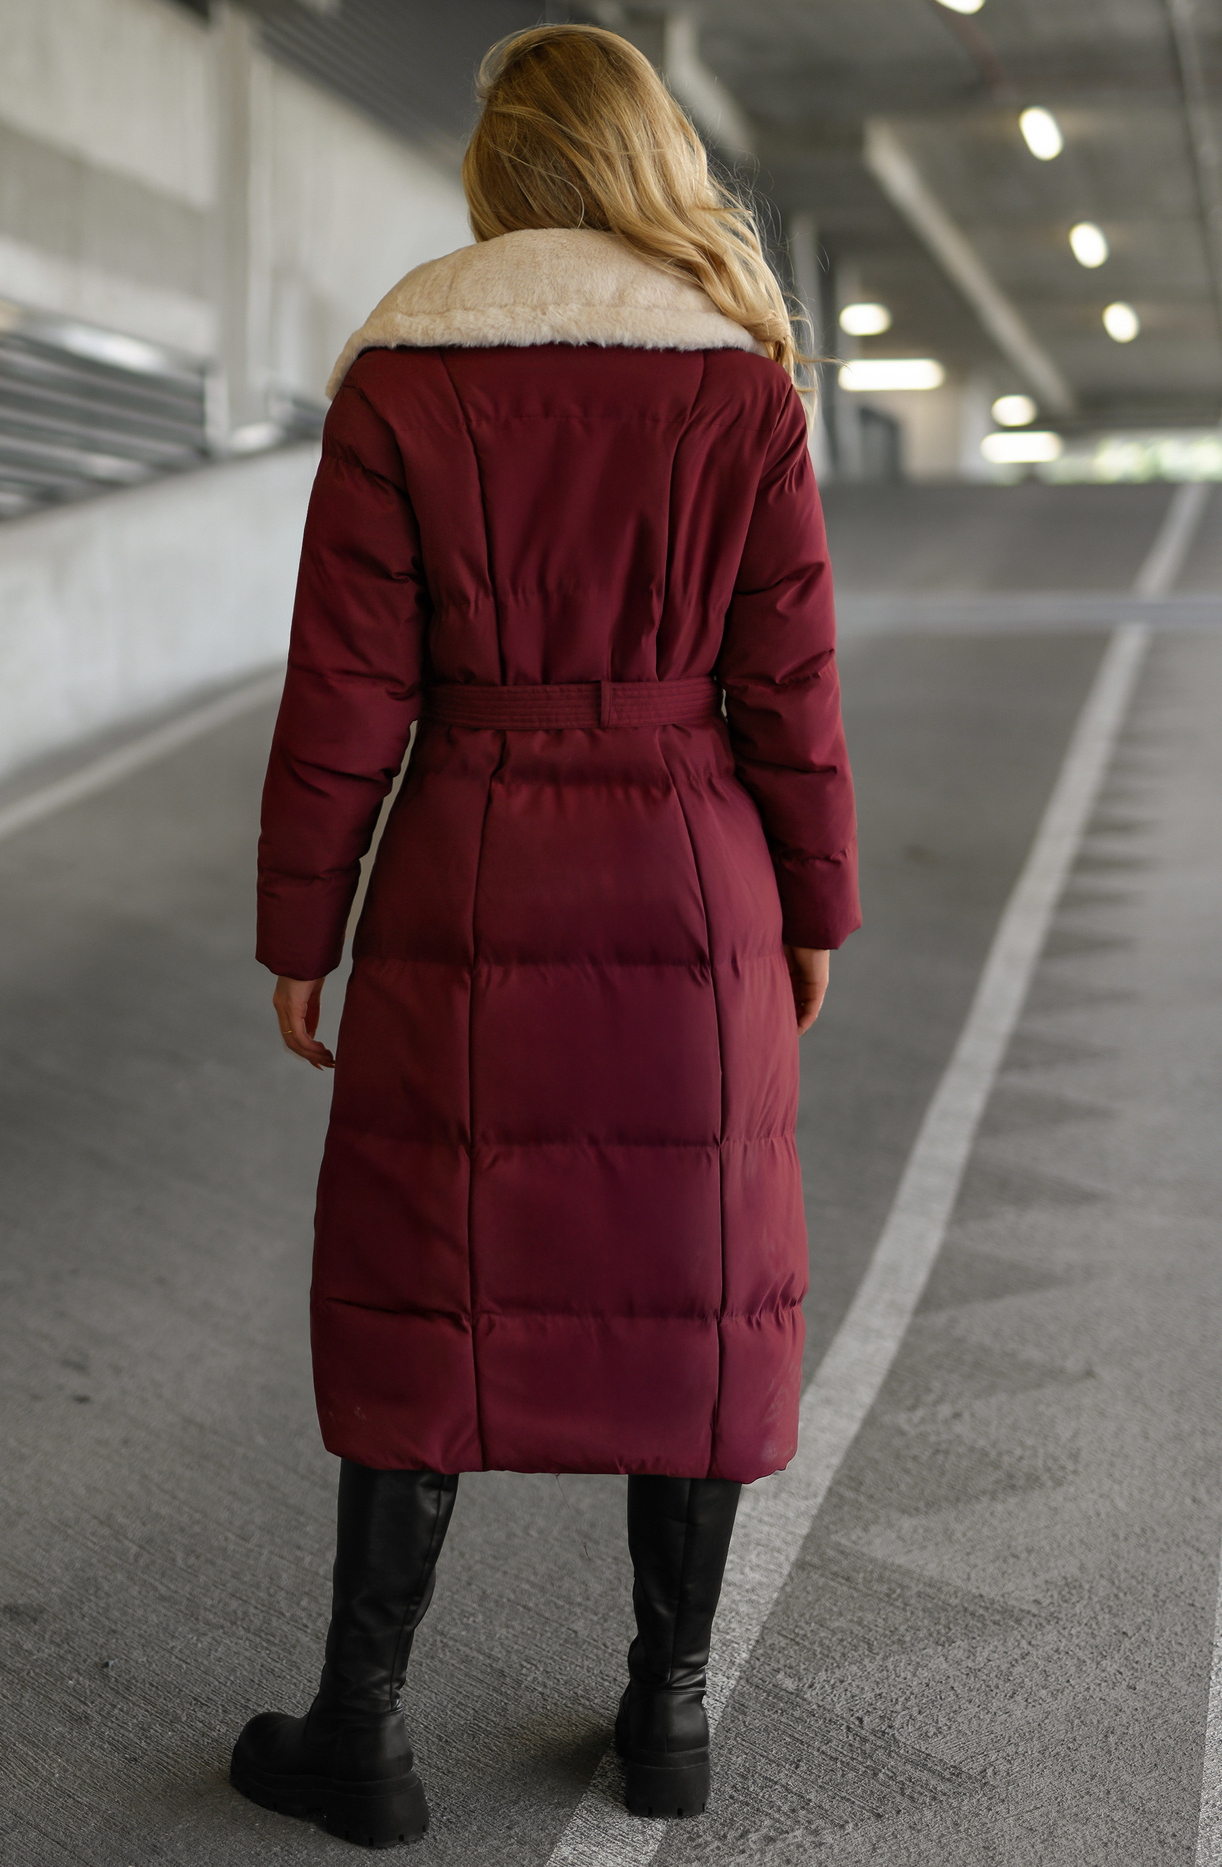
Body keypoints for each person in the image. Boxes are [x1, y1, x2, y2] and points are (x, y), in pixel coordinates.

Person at [230, 22, 859, 1851]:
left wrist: (302, 924)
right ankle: (668, 1714)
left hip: (464, 868)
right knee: (700, 1281)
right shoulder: (742, 387)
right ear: (655, 163)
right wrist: (814, 903)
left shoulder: (404, 376)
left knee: (421, 1274)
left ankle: (363, 1730)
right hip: (693, 874)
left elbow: (344, 692)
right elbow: (791, 689)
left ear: (499, 175)